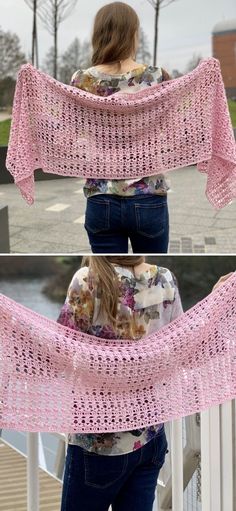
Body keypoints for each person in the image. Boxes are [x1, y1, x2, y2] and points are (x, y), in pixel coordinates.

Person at [57, 255, 182, 511]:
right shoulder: (164, 279)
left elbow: (60, 352)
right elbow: (181, 345)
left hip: (98, 445)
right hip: (150, 437)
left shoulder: (87, 280)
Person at [70, 2, 171, 254]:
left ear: (99, 34)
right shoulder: (157, 77)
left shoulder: (82, 80)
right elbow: (173, 128)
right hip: (149, 194)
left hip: (100, 196)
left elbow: (73, 132)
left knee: (109, 274)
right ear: (133, 33)